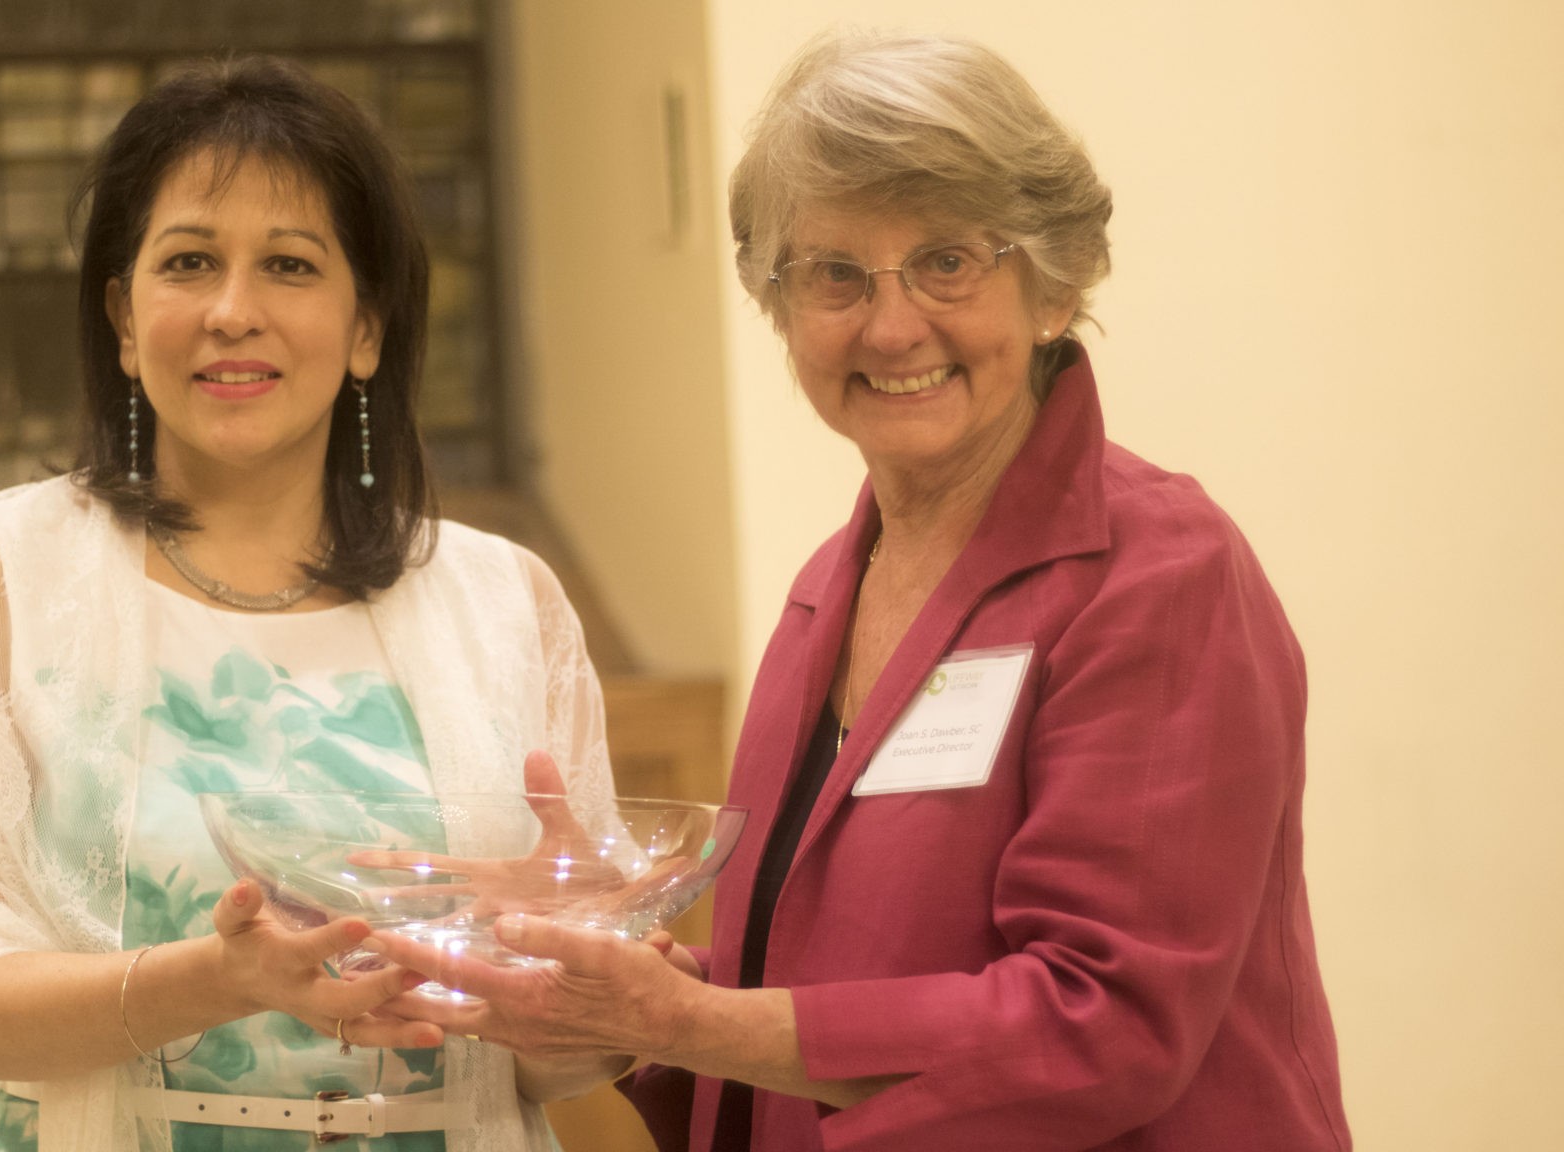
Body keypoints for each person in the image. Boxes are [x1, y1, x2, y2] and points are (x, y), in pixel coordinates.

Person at [367, 31, 1351, 1152]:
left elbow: (1104, 1023)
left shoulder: (1159, 574)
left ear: (1054, 284)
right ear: (780, 309)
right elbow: (815, 989)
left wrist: (690, 1021)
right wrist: (606, 959)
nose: (889, 326)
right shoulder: (826, 592)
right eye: (834, 274)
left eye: (947, 261)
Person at [0, 57, 617, 1152]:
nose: (231, 311)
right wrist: (212, 980)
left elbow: (555, 1070)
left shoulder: (506, 601)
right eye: (189, 262)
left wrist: (592, 986)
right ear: (123, 319)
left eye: (289, 265)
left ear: (366, 327)